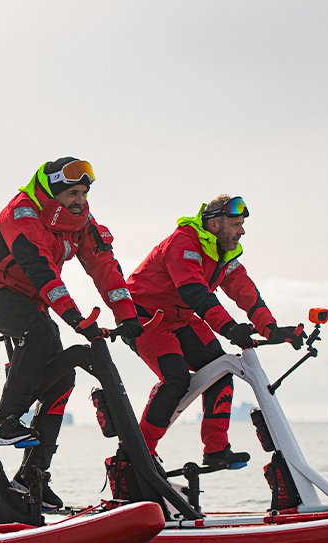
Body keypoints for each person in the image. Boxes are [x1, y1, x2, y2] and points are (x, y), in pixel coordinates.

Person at [0, 157, 143, 509]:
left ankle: (34, 476)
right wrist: (76, 319)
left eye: (83, 192)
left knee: (61, 379)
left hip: (33, 300)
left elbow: (105, 268)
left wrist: (129, 317)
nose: (79, 200)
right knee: (41, 334)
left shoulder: (81, 221)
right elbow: (43, 274)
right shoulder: (22, 215)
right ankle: (6, 423)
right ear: (52, 191)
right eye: (72, 193)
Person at [126, 194, 304, 469]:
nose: (241, 231)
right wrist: (229, 328)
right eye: (235, 224)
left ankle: (216, 450)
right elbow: (195, 292)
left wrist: (271, 329)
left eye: (242, 224)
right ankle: (139, 455)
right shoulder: (183, 243)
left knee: (220, 369)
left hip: (181, 317)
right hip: (145, 319)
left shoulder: (225, 252)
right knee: (175, 379)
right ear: (215, 224)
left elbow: (245, 292)